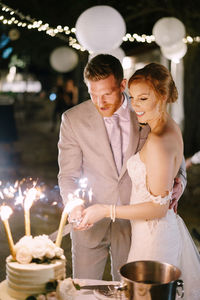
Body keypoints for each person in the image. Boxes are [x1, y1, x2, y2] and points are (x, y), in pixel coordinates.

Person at [58, 55, 186, 281]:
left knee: (130, 291)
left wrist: (181, 182)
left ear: (122, 85)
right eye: (93, 94)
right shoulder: (72, 119)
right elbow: (68, 175)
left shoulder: (145, 109)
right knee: (85, 291)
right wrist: (74, 205)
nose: (100, 102)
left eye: (107, 93)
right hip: (90, 226)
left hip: (135, 226)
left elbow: (174, 153)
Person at [78, 63, 200, 299]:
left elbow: (157, 208)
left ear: (162, 95)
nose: (135, 105)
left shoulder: (158, 140)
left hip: (155, 238)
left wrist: (105, 210)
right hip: (152, 232)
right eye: (132, 97)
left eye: (143, 98)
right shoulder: (169, 126)